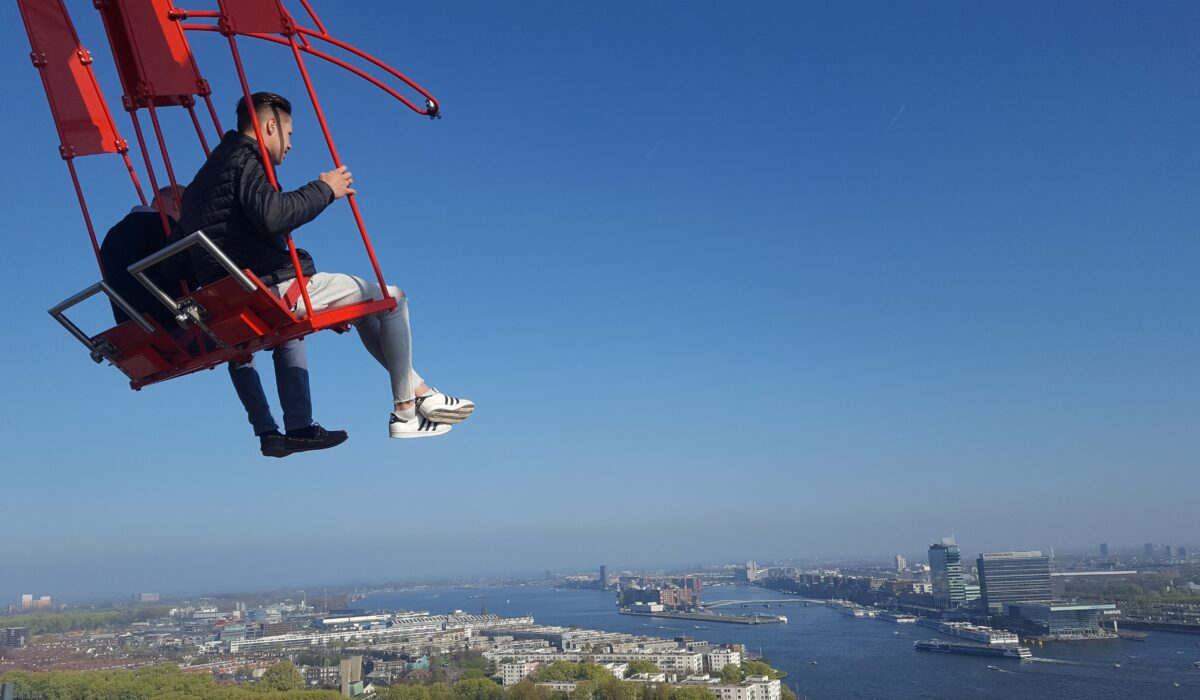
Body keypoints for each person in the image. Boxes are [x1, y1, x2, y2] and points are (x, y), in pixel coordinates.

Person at [177, 92, 473, 438]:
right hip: (269, 288)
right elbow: (273, 217)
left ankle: (423, 393)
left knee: (364, 310)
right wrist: (325, 189)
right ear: (271, 126)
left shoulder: (202, 179)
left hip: (233, 294)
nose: (290, 145)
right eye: (290, 134)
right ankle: (406, 411)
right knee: (393, 299)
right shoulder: (247, 158)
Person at [98, 186, 348, 458]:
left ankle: (268, 433)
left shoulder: (112, 236)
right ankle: (299, 426)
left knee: (239, 349)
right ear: (167, 202)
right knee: (285, 329)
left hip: (143, 339)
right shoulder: (162, 225)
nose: (184, 218)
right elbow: (188, 271)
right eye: (182, 210)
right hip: (176, 333)